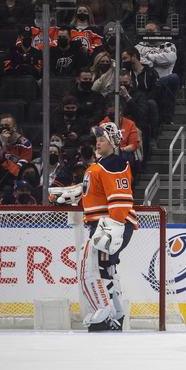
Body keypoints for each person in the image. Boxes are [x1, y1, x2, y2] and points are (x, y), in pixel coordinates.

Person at [50, 122, 134, 332]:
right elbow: (94, 194)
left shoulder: (114, 164)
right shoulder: (99, 166)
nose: (97, 142)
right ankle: (117, 315)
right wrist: (71, 194)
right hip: (105, 223)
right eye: (96, 139)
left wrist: (115, 225)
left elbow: (120, 200)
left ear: (113, 142)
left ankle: (104, 311)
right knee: (106, 270)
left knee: (88, 269)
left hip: (110, 224)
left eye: (102, 139)